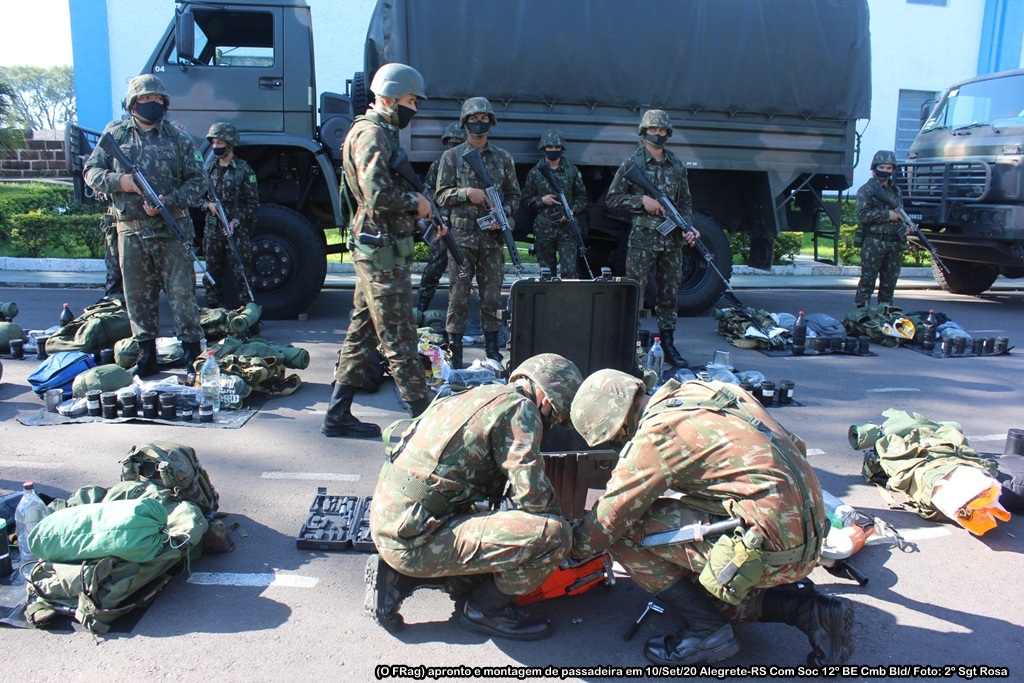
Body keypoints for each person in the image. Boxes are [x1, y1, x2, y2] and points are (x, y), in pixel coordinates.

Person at [568, 370, 854, 667]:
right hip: (812, 530)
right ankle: (813, 612)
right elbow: (796, 444)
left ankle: (707, 631)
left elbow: (610, 517)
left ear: (618, 427)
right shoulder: (707, 392)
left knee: (627, 532)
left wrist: (567, 545)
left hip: (775, 549)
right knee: (707, 587)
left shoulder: (657, 433)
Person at [365, 353, 582, 641]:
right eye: (555, 414)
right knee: (554, 536)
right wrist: (575, 536)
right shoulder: (521, 411)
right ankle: (485, 611)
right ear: (545, 397)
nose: (552, 421)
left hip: (394, 518)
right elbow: (534, 499)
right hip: (414, 537)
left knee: (494, 553)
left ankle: (398, 578)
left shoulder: (484, 393)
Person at [323, 63, 436, 439]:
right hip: (380, 252)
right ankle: (427, 424)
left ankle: (337, 414)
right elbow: (377, 195)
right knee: (400, 335)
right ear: (386, 97)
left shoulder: (379, 132)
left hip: (380, 247)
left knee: (361, 333)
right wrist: (415, 203)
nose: (413, 109)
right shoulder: (371, 134)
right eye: (409, 101)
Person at [83, 74, 205, 377]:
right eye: (146, 100)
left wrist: (170, 200)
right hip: (131, 229)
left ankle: (192, 353)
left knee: (182, 294)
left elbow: (199, 181)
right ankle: (147, 354)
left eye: (158, 100)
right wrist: (120, 181)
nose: (153, 104)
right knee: (137, 296)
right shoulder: (115, 135)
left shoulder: (178, 138)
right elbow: (91, 171)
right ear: (132, 103)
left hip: (170, 228)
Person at [606, 109, 698, 368]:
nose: (657, 135)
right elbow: (612, 199)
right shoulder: (632, 164)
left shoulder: (677, 165)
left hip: (672, 241)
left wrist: (688, 226)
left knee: (669, 295)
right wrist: (641, 200)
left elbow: (686, 202)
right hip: (643, 239)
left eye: (661, 131)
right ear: (643, 132)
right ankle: (630, 346)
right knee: (634, 292)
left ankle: (668, 345)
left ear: (667, 133)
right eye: (652, 130)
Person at [435, 97, 521, 369]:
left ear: (491, 122)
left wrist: (502, 214)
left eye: (484, 118)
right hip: (462, 242)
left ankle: (493, 354)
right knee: (458, 297)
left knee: (492, 298)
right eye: (474, 118)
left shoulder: (503, 158)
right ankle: (455, 356)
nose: (479, 123)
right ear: (465, 122)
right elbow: (440, 196)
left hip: (491, 241)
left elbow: (514, 195)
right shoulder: (451, 157)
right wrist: (467, 193)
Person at [202, 122, 259, 309]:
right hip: (213, 229)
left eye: (220, 143)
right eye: (214, 143)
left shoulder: (244, 170)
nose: (216, 147)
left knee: (242, 274)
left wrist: (237, 220)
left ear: (231, 144)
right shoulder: (208, 169)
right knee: (212, 274)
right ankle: (213, 315)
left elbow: (253, 204)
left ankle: (248, 316)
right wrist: (207, 205)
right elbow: (196, 197)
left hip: (236, 231)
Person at [522, 129, 587, 279]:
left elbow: (582, 198)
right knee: (546, 273)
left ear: (562, 149)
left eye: (557, 147)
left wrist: (571, 211)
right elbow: (526, 199)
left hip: (567, 229)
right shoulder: (535, 172)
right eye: (549, 147)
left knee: (569, 271)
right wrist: (541, 200)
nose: (553, 150)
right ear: (543, 148)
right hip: (544, 228)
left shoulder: (572, 171)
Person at [417, 123, 465, 313]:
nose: (454, 145)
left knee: (462, 271)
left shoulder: (469, 166)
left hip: (462, 225)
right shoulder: (437, 165)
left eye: (458, 141)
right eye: (450, 141)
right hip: (442, 223)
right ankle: (422, 306)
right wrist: (436, 215)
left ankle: (458, 313)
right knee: (434, 267)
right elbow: (429, 192)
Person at [854, 150, 907, 308]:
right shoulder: (866, 190)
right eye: (881, 167)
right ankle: (860, 316)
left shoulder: (896, 191)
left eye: (889, 168)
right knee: (867, 282)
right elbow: (863, 216)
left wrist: (905, 227)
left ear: (893, 170)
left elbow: (900, 214)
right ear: (875, 167)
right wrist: (887, 215)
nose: (884, 171)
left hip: (894, 243)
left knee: (889, 285)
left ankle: (885, 316)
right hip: (874, 241)